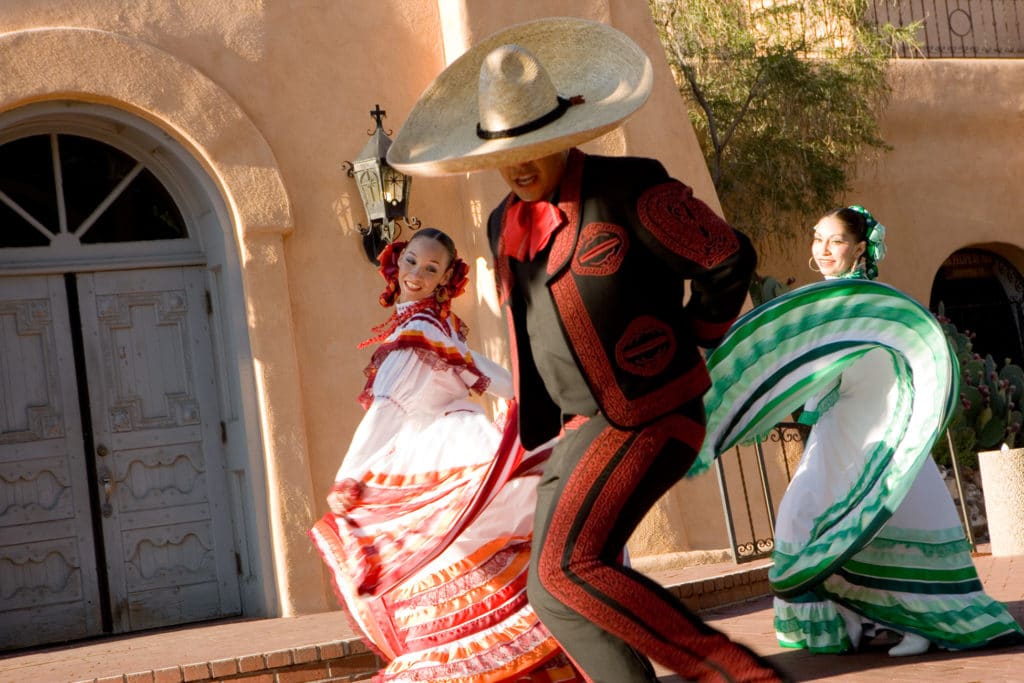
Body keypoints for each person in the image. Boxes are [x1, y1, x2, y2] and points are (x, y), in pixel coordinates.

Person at [386, 17, 786, 683]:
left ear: (563, 140)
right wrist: (525, 429)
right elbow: (531, 324)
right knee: (553, 590)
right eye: (503, 152)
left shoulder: (630, 187)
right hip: (574, 429)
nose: (517, 163)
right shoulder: (500, 224)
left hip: (650, 411)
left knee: (567, 565)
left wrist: (692, 338)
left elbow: (725, 257)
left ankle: (738, 674)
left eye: (532, 147)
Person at [691, 206, 1024, 658]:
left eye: (835, 241)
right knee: (803, 516)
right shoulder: (819, 304)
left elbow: (902, 360)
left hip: (884, 433)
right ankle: (854, 618)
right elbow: (808, 373)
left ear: (859, 249)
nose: (823, 250)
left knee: (896, 520)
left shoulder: (874, 304)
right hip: (839, 432)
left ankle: (917, 622)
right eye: (817, 238)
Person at [309, 228, 582, 682]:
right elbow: (492, 375)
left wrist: (349, 475)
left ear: (444, 279)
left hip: (438, 448)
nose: (415, 274)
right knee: (463, 557)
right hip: (443, 444)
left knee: (429, 556)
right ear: (396, 262)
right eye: (412, 261)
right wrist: (538, 396)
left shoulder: (421, 330)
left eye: (430, 268)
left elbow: (389, 409)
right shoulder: (434, 326)